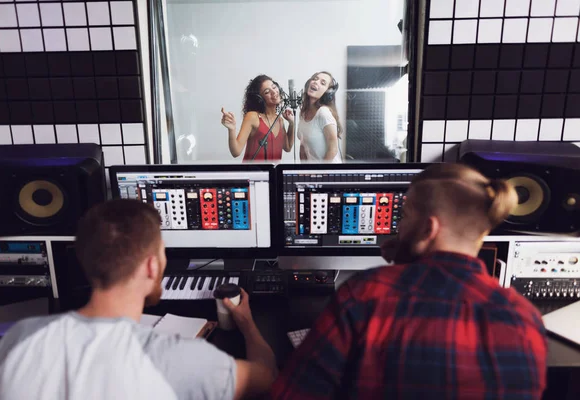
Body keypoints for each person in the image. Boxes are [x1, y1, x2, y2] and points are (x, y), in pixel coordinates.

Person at [271, 163, 548, 399]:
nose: (398, 227)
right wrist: (409, 257)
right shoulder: (525, 319)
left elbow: (292, 394)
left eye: (403, 217)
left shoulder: (365, 297)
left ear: (428, 228)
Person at [0, 199, 277, 400]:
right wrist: (248, 324)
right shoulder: (184, 361)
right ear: (152, 266)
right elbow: (266, 378)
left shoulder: (17, 340)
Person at [222, 75, 294, 162]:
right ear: (259, 99)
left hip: (273, 174)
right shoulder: (252, 116)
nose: (274, 92)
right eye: (267, 92)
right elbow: (236, 152)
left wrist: (291, 123)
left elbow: (288, 147)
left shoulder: (280, 120)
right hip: (253, 173)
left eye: (274, 87)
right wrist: (232, 129)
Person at [298, 71, 343, 163]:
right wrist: (302, 170)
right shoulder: (303, 114)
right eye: (315, 79)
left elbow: (333, 149)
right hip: (313, 172)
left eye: (323, 83)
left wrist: (319, 172)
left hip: (329, 172)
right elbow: (303, 147)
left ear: (327, 93)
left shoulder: (323, 113)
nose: (316, 82)